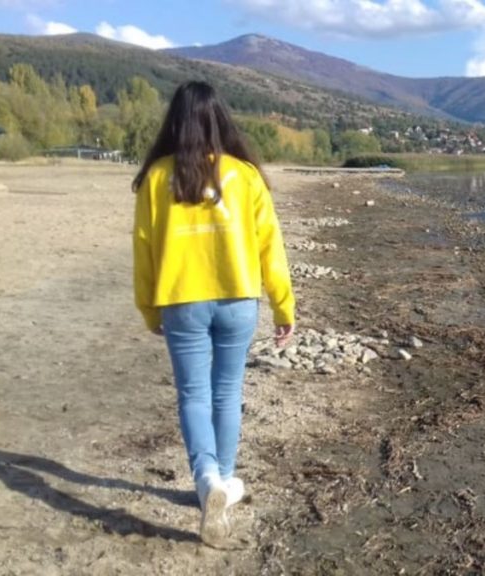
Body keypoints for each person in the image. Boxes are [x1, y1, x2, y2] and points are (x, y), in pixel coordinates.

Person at [132, 80, 295, 546]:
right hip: (238, 299)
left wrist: (149, 310)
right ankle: (222, 478)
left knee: (193, 395)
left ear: (175, 122)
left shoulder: (157, 177)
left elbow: (143, 250)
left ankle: (208, 481)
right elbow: (270, 246)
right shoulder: (244, 175)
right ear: (220, 120)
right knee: (227, 392)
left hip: (181, 300)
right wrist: (283, 305)